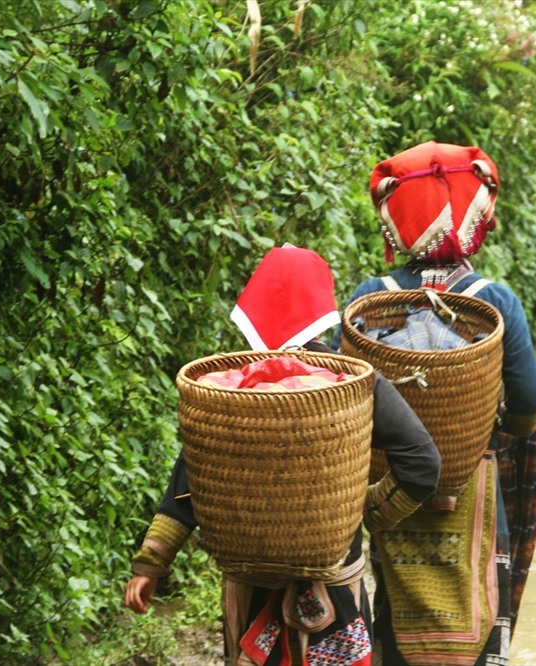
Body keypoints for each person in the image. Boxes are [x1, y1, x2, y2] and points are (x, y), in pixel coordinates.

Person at [123, 244, 441, 666]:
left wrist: (151, 566)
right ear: (322, 310)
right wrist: (362, 510)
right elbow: (422, 462)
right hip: (334, 587)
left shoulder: (226, 390)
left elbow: (189, 483)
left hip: (251, 588)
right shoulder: (352, 384)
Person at [332, 141, 536, 665]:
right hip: (471, 483)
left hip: (392, 487)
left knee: (394, 607)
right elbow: (529, 400)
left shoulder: (369, 296)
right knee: (477, 601)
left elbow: (350, 389)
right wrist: (508, 429)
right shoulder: (493, 299)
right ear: (477, 215)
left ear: (397, 223)